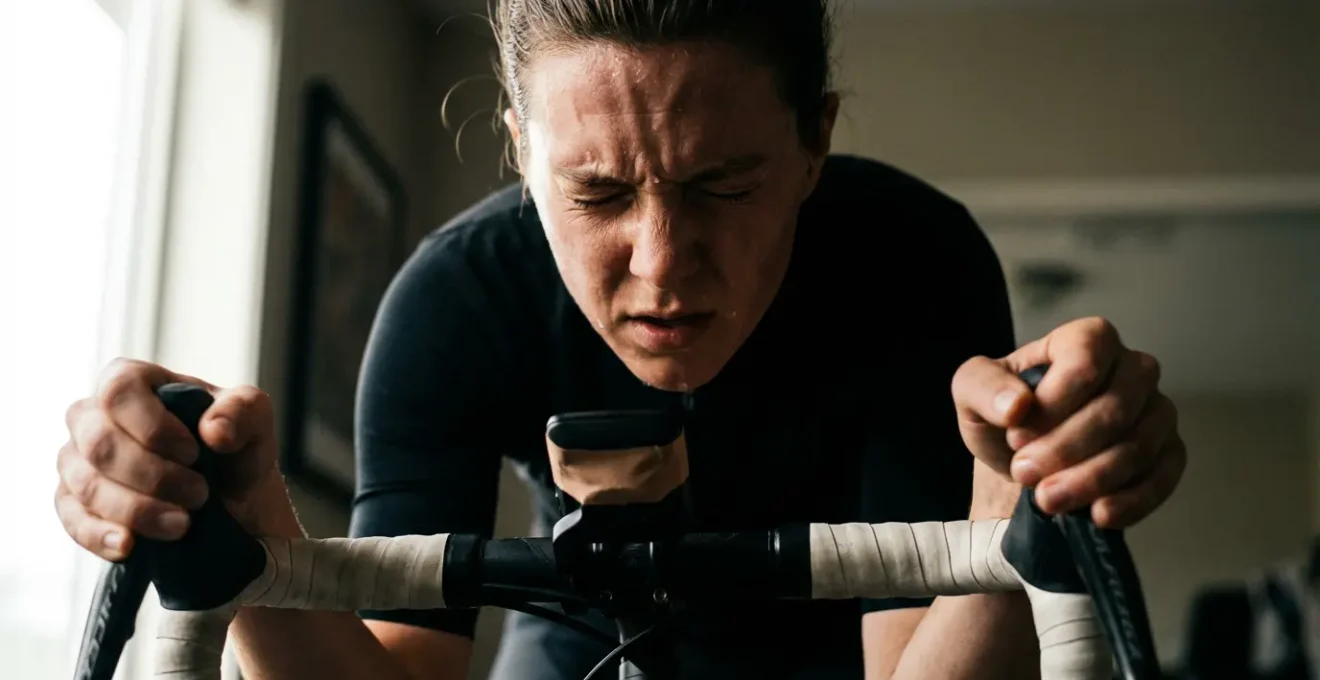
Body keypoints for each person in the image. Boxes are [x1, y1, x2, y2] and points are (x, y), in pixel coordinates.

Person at [53, 1, 1188, 678]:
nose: (659, 265)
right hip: (570, 645)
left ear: (813, 143)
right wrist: (243, 549)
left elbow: (910, 674)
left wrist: (1010, 501)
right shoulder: (456, 300)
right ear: (519, 150)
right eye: (595, 194)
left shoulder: (909, 262)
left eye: (725, 184)